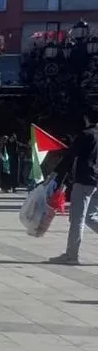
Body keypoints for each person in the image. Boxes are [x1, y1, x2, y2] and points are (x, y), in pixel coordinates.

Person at [50, 111, 98, 265]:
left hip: (84, 179)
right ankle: (71, 254)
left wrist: (55, 174)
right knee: (91, 217)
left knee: (77, 219)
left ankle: (71, 256)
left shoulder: (86, 134)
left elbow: (70, 157)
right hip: (96, 181)